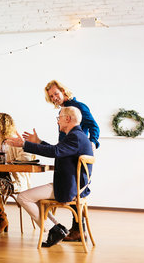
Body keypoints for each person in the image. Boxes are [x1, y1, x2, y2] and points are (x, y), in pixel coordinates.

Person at [7, 106, 93, 248]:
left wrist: (24, 144)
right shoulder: (78, 136)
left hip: (68, 188)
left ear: (67, 119)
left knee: (23, 197)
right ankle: (57, 228)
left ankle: (54, 230)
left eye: (59, 118)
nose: (58, 122)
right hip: (72, 185)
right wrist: (39, 142)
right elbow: (58, 150)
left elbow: (55, 151)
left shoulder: (75, 137)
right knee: (35, 199)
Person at [44, 79, 100, 241]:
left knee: (76, 189)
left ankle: (78, 230)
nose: (54, 97)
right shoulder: (63, 111)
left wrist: (93, 142)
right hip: (67, 154)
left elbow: (94, 126)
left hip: (76, 154)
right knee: (73, 189)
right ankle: (78, 229)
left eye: (56, 93)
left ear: (63, 91)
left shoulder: (79, 107)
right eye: (51, 96)